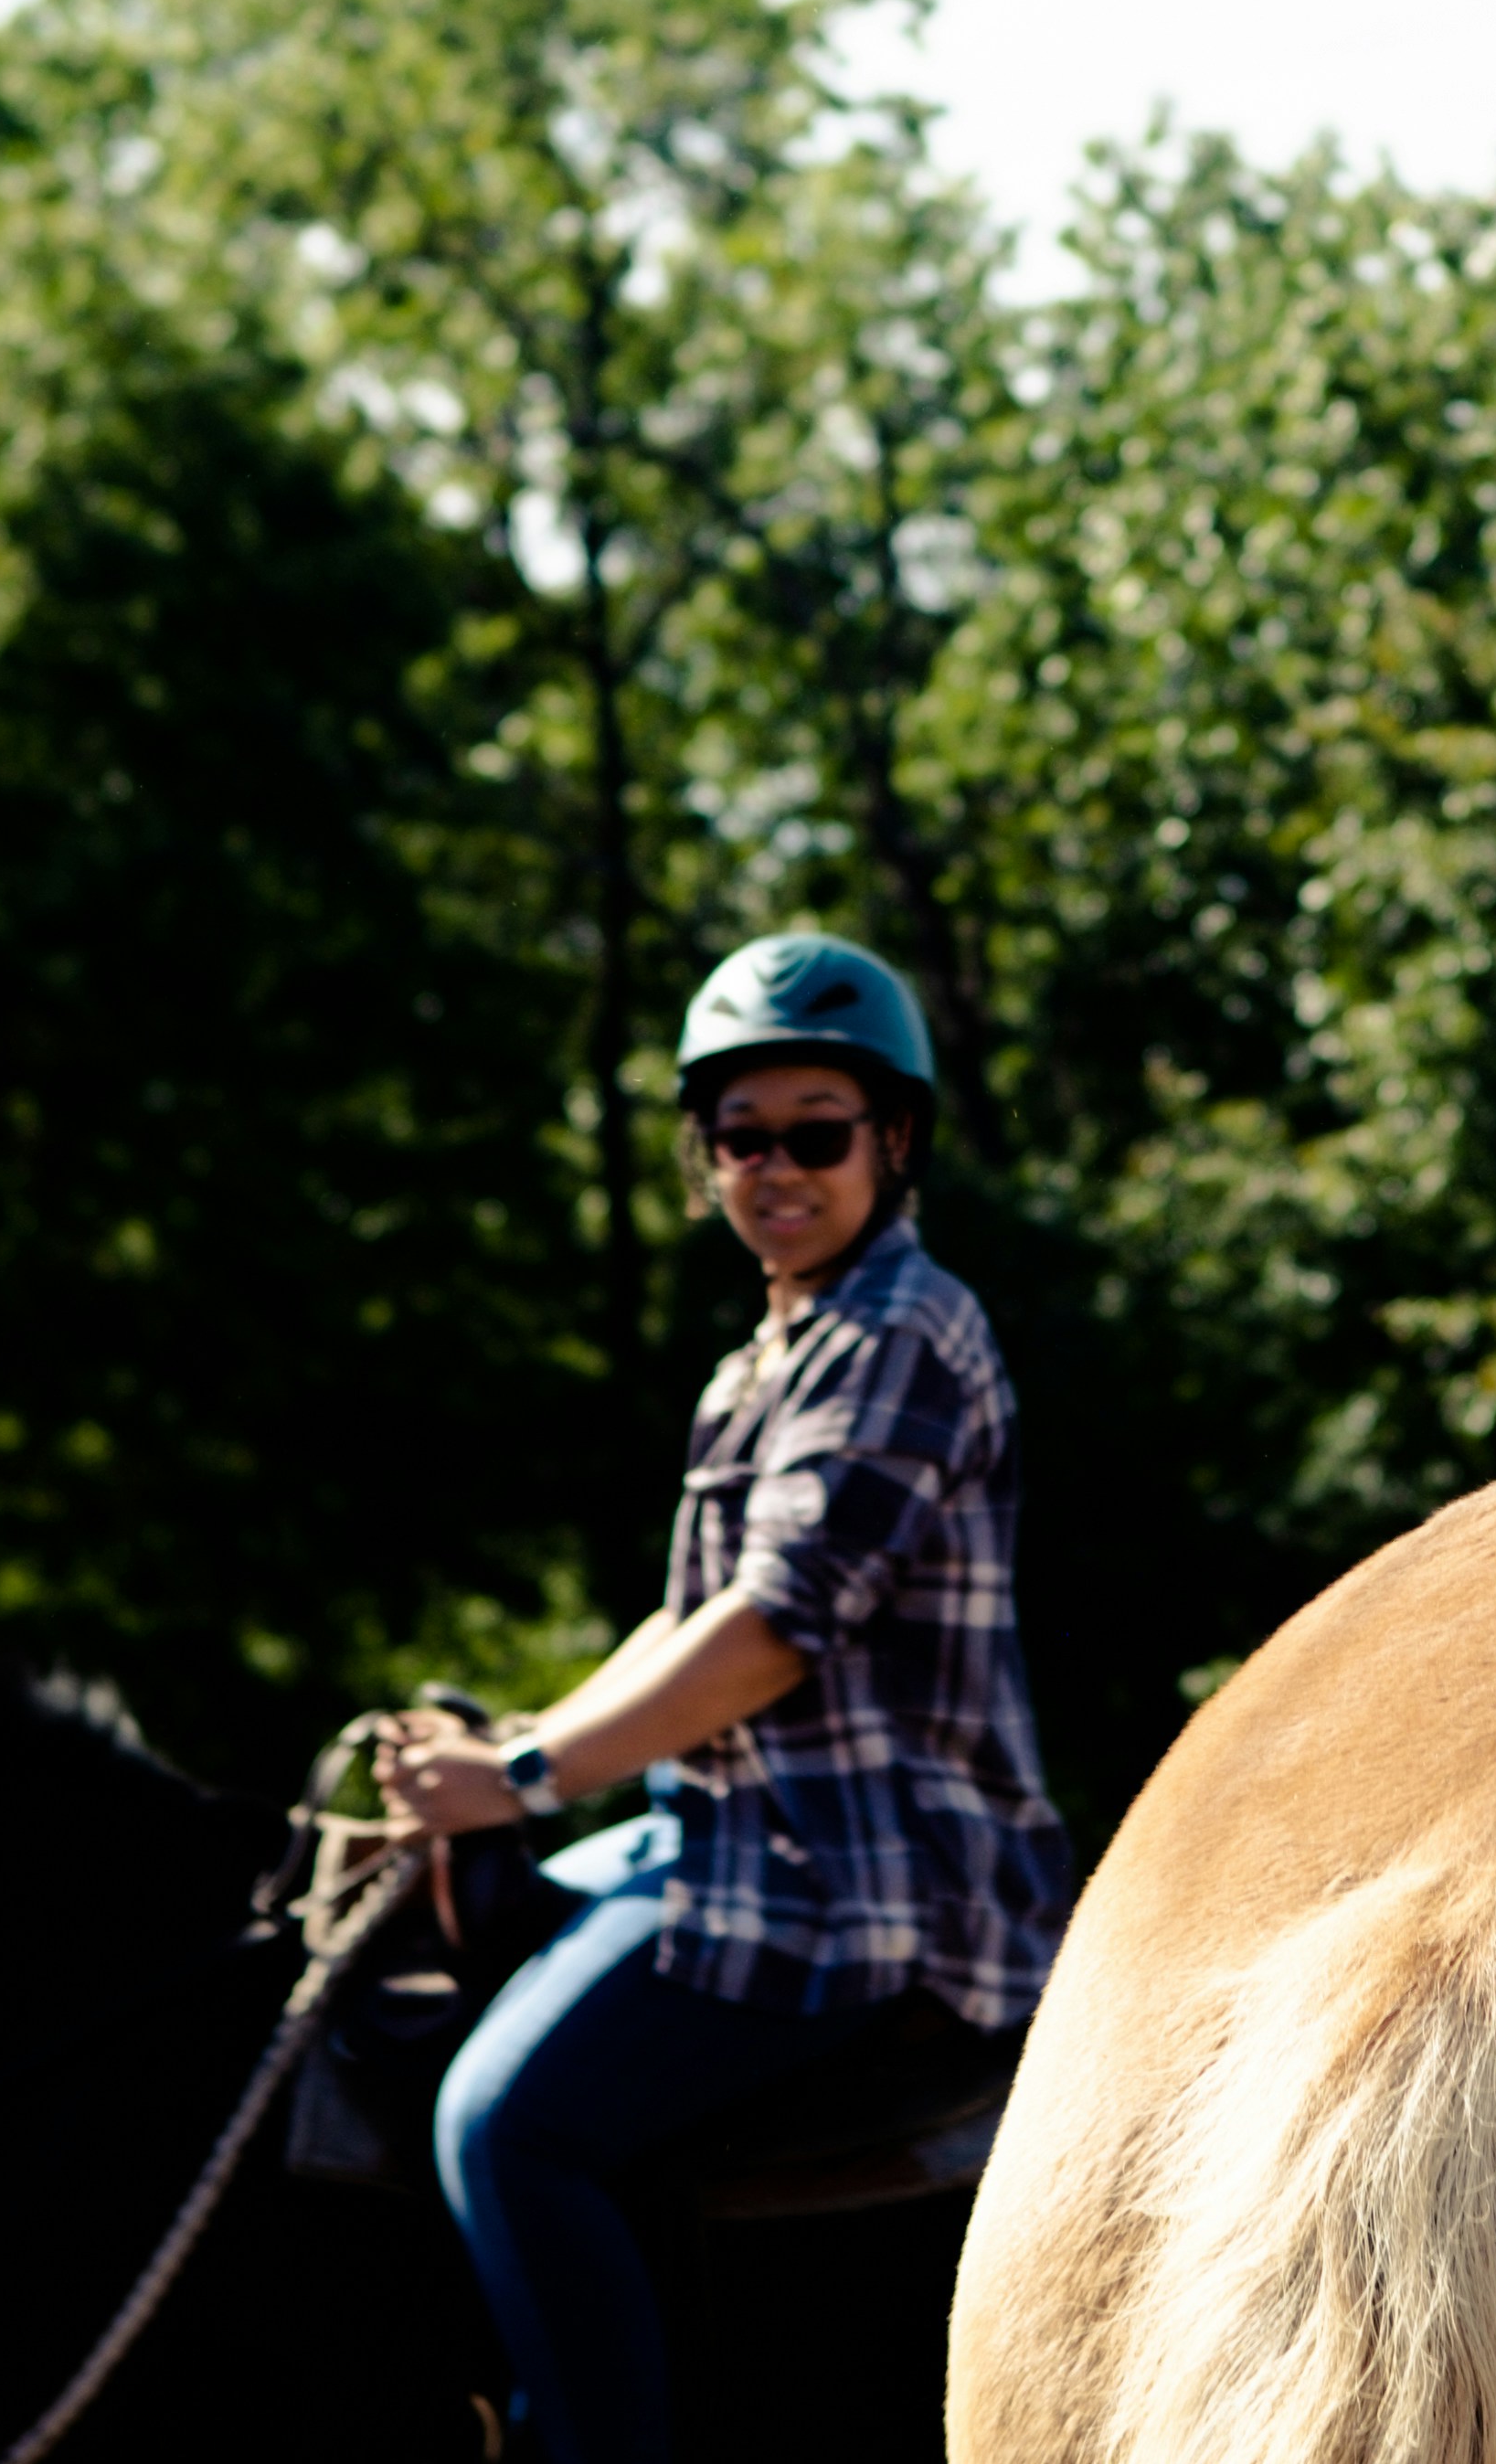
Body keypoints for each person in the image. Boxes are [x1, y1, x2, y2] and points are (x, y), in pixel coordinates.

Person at [379, 932, 1076, 2464]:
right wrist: (505, 1755)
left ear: (892, 1140)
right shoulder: (768, 1355)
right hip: (741, 1836)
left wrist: (533, 1776)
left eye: (816, 1132)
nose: (776, 1167)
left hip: (871, 1878)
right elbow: (683, 1620)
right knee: (416, 1969)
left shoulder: (901, 1330)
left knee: (504, 2128)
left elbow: (770, 1632)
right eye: (741, 1136)